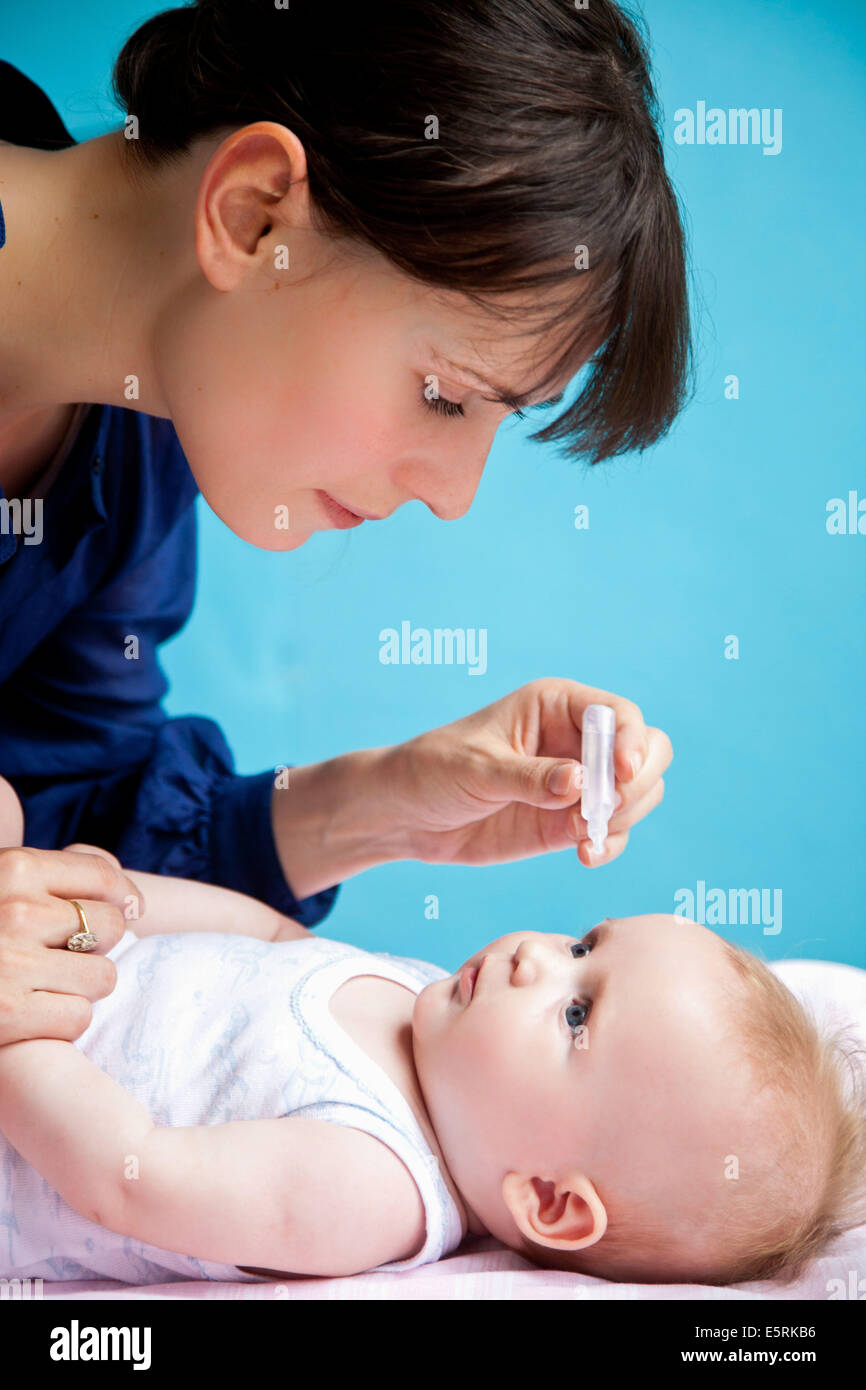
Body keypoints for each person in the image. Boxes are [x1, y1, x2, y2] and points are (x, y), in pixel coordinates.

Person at [0, 1, 687, 1046]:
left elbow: (77, 844)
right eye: (446, 394)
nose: (454, 493)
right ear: (254, 213)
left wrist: (393, 800)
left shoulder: (129, 463)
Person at [0, 777, 863, 1287]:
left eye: (576, 1013)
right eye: (581, 945)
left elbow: (130, 1175)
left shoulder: (375, 1185)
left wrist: (19, 1037)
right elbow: (266, 937)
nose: (534, 957)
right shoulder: (425, 1001)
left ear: (552, 1203)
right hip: (47, 961)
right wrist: (113, 901)